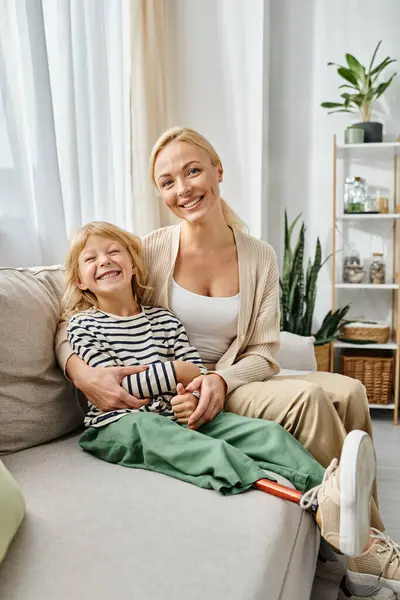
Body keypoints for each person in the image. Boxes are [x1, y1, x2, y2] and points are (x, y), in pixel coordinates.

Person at [56, 129, 400, 595]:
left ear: (218, 171)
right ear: (160, 193)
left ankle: (364, 537)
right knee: (312, 399)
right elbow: (74, 317)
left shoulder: (259, 255)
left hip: (228, 374)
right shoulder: (148, 249)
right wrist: (80, 370)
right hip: (177, 391)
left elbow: (263, 350)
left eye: (193, 170)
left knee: (354, 390)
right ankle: (358, 546)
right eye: (168, 181)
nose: (184, 188)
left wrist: (216, 378)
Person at [62, 219, 377, 563]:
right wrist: (174, 373)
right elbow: (117, 390)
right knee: (175, 437)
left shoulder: (164, 319)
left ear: (135, 266)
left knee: (266, 433)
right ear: (80, 280)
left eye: (112, 252)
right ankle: (263, 479)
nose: (104, 261)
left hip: (173, 415)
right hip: (118, 423)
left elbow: (193, 368)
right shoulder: (84, 326)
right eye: (90, 259)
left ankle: (328, 492)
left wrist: (190, 396)